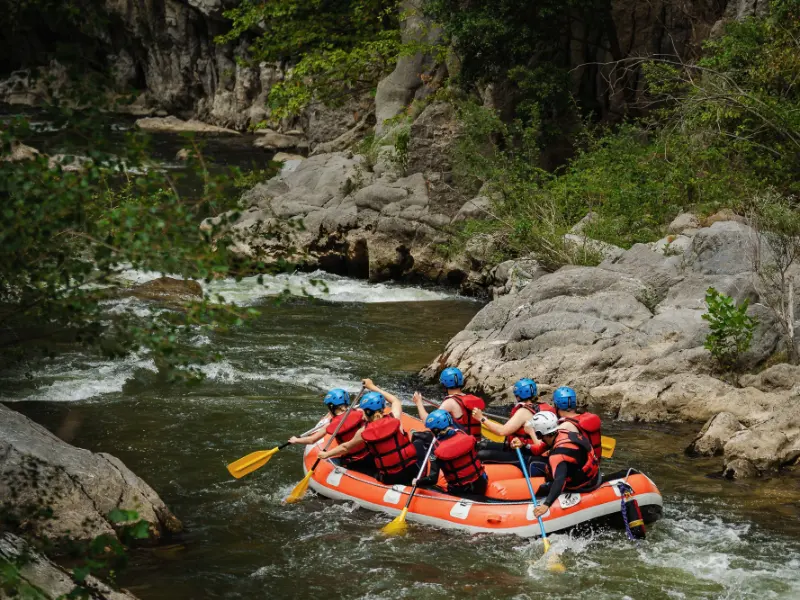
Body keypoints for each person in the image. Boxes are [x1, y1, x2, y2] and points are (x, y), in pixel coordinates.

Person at [318, 379, 419, 486]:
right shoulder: (395, 418)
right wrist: (372, 386)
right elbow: (395, 401)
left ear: (366, 412)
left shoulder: (364, 432)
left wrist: (326, 454)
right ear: (382, 407)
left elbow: (345, 448)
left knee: (368, 467)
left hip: (391, 478)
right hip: (413, 469)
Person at [519, 412, 600, 518]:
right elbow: (539, 449)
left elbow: (559, 481)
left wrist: (546, 504)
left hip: (583, 485)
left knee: (542, 487)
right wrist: (524, 446)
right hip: (593, 475)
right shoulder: (563, 433)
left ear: (539, 434)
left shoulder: (558, 456)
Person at [288, 388, 375, 476]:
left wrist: (295, 440)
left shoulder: (331, 425)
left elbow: (312, 440)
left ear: (331, 407)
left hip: (353, 462)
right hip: (371, 456)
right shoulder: (361, 413)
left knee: (327, 462)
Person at [471, 378, 555, 466]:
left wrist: (482, 418)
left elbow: (502, 431)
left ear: (518, 396)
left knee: (481, 454)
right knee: (481, 445)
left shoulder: (524, 411)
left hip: (526, 452)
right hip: (520, 447)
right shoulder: (545, 407)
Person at [416, 409, 488, 498]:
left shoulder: (436, 449)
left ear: (435, 430)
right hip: (481, 484)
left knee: (427, 486)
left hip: (460, 492)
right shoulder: (462, 433)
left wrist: (417, 482)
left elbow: (432, 479)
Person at [412, 366, 485, 441]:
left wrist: (418, 402)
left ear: (444, 384)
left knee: (418, 437)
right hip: (475, 442)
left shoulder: (450, 402)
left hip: (460, 444)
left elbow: (428, 421)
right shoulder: (469, 399)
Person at [552, 386, 603, 461]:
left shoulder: (564, 426)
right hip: (595, 465)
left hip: (581, 469)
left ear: (556, 406)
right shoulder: (590, 418)